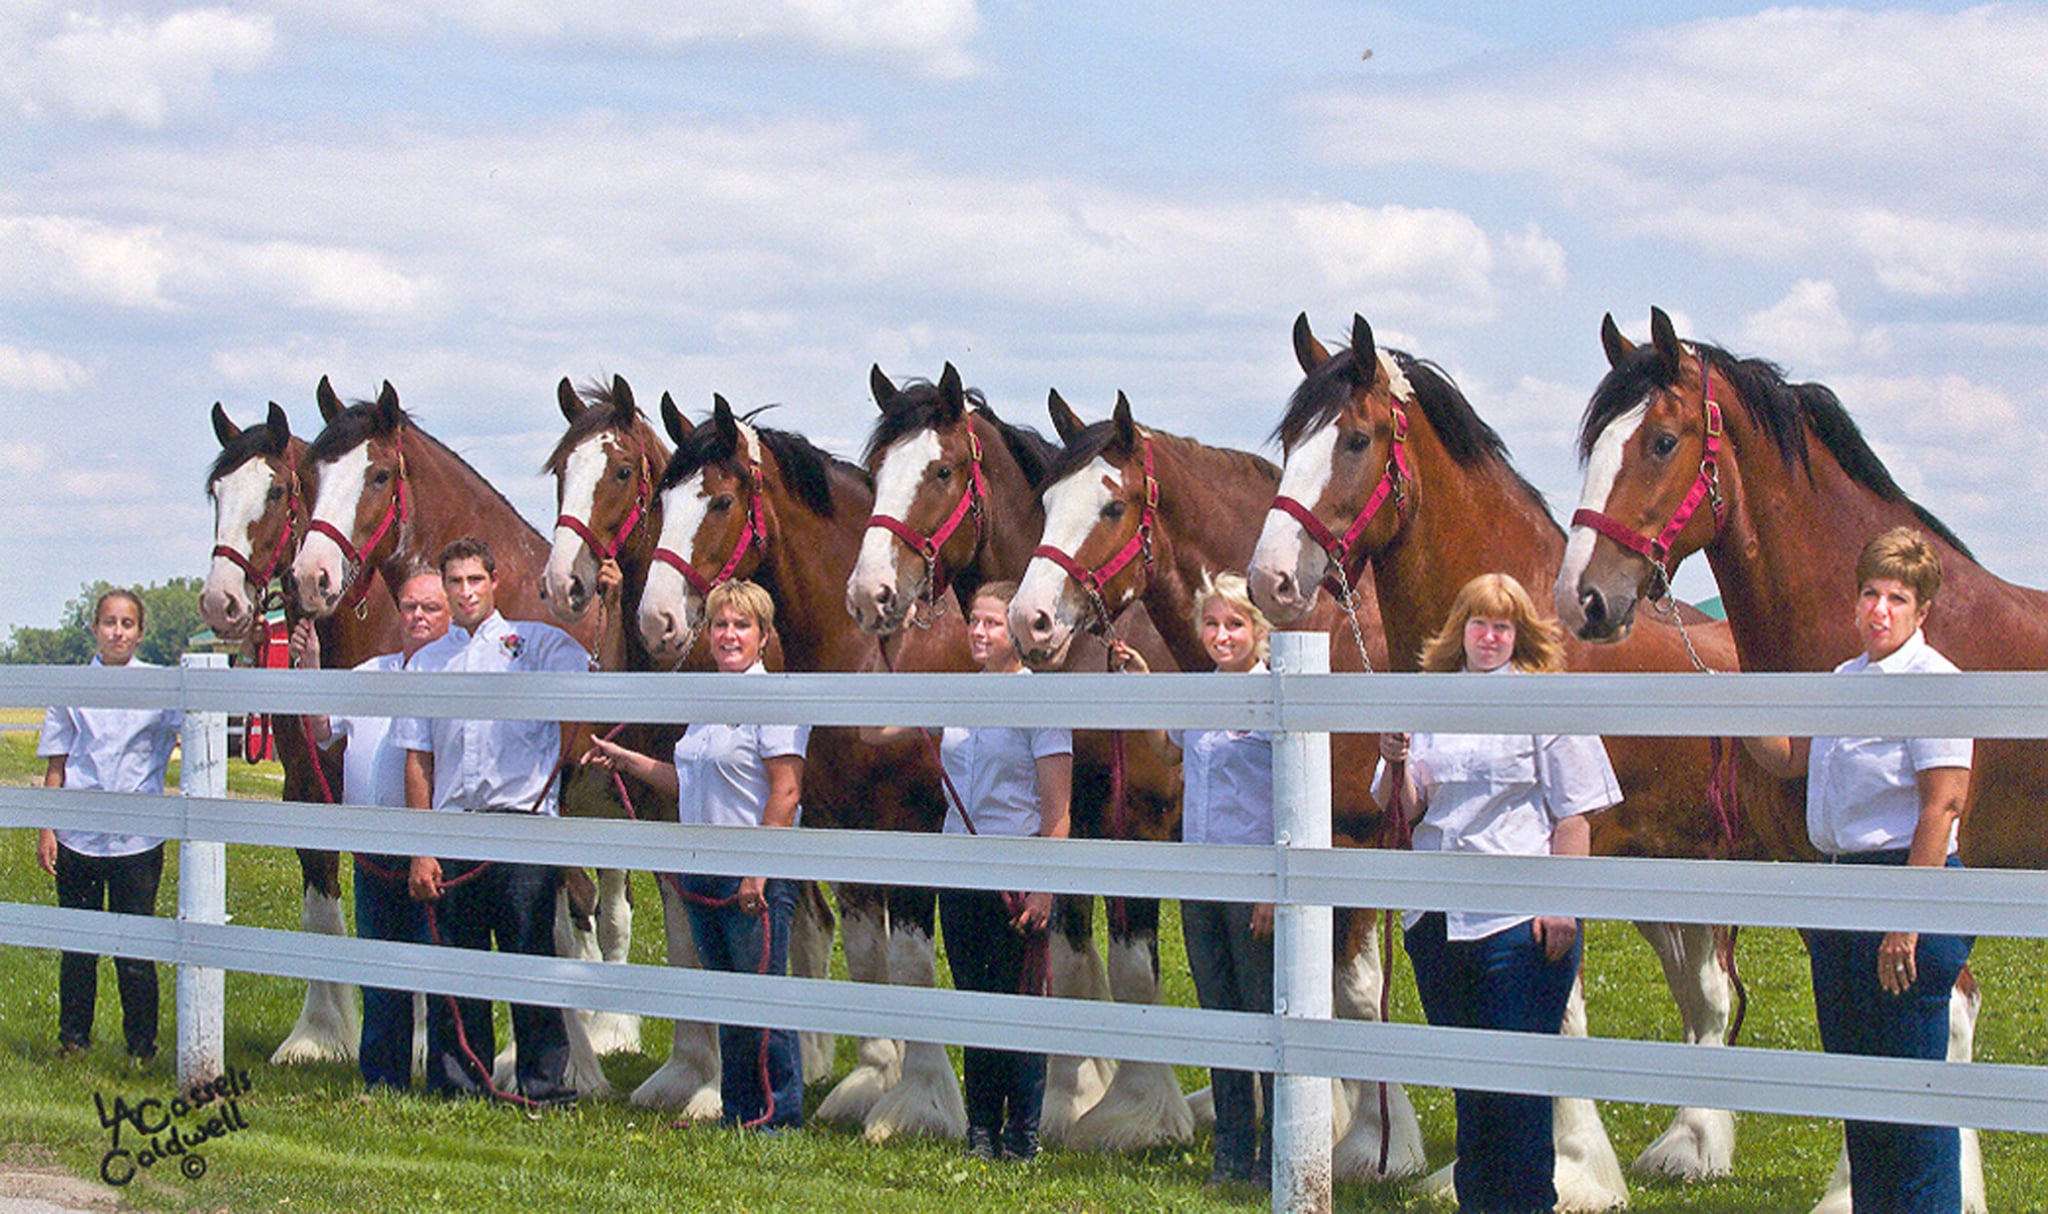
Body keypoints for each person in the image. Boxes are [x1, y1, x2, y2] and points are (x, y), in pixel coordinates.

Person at [1741, 526, 1973, 1214]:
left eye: (1896, 598)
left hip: (1903, 888)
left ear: (1921, 610)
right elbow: (1790, 757)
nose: (1879, 610)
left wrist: (1907, 922)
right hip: (1839, 896)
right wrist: (1736, 703)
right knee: (1862, 1107)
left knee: (1910, 1109)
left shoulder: (1936, 685)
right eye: (1870, 593)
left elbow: (1943, 803)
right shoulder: (1846, 680)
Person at [1373, 572, 1620, 1214]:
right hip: (1437, 923)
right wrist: (1395, 759)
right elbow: (1404, 807)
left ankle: (1527, 1204)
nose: (1489, 637)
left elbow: (1575, 817)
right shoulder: (1428, 703)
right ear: (1461, 632)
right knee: (1471, 1091)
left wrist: (1562, 903)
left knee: (1518, 1091)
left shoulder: (1545, 704)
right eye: (1479, 624)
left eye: (1503, 626)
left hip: (1516, 923)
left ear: (1520, 636)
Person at [584, 578, 808, 1130]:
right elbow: (686, 780)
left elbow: (787, 791)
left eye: (742, 626)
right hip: (704, 872)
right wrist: (626, 759)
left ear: (763, 636)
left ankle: (778, 1114)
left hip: (751, 874)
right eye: (721, 625)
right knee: (725, 1001)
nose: (730, 635)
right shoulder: (707, 703)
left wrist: (758, 870)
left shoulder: (774, 699)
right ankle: (738, 1110)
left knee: (761, 1001)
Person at [862, 580, 1072, 1162]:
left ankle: (1021, 1137)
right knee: (974, 1001)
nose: (979, 634)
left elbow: (1058, 809)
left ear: (1018, 631)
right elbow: (870, 731)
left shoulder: (1042, 704)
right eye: (974, 622)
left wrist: (1046, 888)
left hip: (1017, 867)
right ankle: (981, 1133)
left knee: (1019, 1004)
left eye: (992, 624)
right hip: (959, 867)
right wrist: (884, 647)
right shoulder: (956, 692)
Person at [392, 537, 589, 1106]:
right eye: (454, 582)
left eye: (475, 580)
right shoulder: (427, 663)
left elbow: (597, 673)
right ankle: (460, 1082)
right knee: (457, 969)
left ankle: (543, 1083)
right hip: (455, 828)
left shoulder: (537, 645)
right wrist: (421, 848)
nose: (465, 592)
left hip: (522, 827)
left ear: (494, 582)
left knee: (531, 960)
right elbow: (418, 761)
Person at [1112, 571, 1275, 1187]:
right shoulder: (1201, 691)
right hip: (1200, 881)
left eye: (1235, 624)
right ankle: (1231, 1153)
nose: (1221, 634)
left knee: (1260, 1015)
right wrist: (1146, 688)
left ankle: (1271, 1154)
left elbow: (1290, 794)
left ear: (1259, 632)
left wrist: (1267, 884)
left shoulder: (1272, 695)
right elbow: (1169, 748)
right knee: (1219, 1015)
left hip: (1250, 881)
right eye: (1212, 624)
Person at [288, 568, 452, 1091]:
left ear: (450, 616)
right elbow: (321, 729)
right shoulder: (369, 673)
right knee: (380, 969)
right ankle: (384, 1076)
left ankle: (448, 1073)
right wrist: (312, 667)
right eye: (410, 608)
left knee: (435, 967)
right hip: (371, 853)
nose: (418, 617)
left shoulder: (457, 677)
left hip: (431, 853)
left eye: (430, 608)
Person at [37, 588, 182, 1062]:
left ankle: (141, 1046)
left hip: (138, 838)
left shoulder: (162, 686)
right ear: (94, 628)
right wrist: (47, 828)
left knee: (134, 947)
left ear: (140, 632)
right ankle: (73, 1040)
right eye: (108, 623)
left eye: (127, 624)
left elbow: (195, 732)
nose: (117, 632)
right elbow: (58, 764)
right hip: (78, 833)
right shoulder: (73, 685)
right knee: (78, 946)